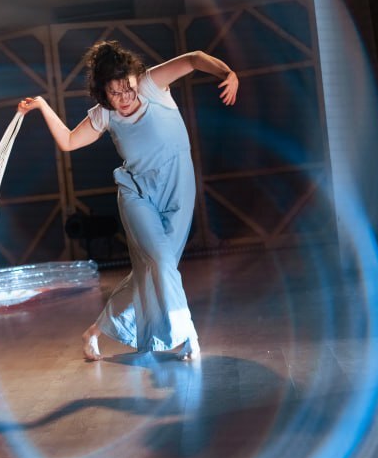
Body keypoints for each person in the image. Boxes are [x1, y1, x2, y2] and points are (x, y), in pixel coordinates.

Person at [17, 40, 239, 361]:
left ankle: (96, 330)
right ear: (103, 94)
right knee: (161, 263)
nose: (124, 98)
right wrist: (42, 105)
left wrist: (228, 73)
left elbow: (194, 59)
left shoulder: (152, 85)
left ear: (136, 80)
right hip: (137, 194)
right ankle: (187, 333)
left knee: (153, 271)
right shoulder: (104, 115)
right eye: (115, 93)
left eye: (128, 89)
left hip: (178, 189)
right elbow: (68, 141)